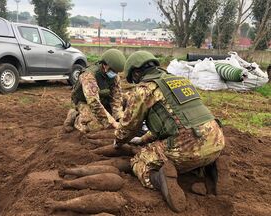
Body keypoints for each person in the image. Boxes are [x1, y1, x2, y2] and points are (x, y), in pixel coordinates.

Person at [113, 51, 226, 212]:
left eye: (134, 79)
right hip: (217, 140)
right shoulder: (180, 81)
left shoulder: (145, 89)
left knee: (139, 161)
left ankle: (158, 179)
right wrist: (144, 139)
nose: (135, 82)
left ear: (136, 72)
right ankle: (212, 166)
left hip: (187, 147)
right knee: (196, 151)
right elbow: (177, 120)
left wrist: (118, 140)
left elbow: (129, 125)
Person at [63, 49, 126, 133]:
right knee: (95, 127)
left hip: (102, 99)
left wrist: (119, 117)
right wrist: (113, 122)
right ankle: (76, 116)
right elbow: (93, 102)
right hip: (84, 102)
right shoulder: (89, 75)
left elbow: (116, 97)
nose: (115, 73)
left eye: (116, 72)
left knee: (128, 99)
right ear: (104, 65)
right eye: (113, 70)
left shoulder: (114, 76)